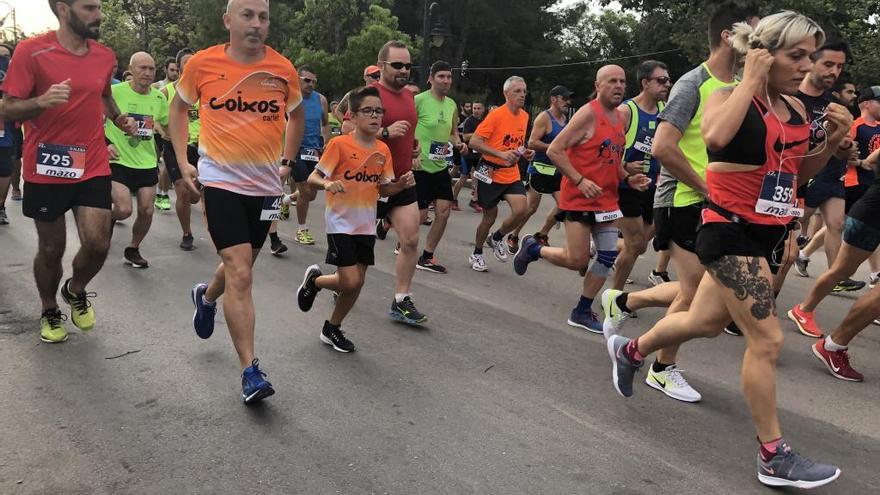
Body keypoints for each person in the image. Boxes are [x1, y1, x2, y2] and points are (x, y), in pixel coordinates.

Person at [607, 12, 850, 488]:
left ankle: (631, 350)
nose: (806, 67)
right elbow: (716, 138)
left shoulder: (797, 110)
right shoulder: (725, 96)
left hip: (769, 232)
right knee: (768, 340)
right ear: (763, 54)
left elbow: (797, 175)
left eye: (810, 57)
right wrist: (750, 80)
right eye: (795, 55)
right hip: (728, 230)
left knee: (705, 322)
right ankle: (773, 455)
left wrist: (835, 141)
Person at [602, 1, 758, 393]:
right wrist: (709, 188)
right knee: (695, 294)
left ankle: (624, 304)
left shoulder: (740, 89)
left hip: (716, 202)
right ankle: (660, 367)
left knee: (706, 294)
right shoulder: (693, 83)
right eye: (755, 36)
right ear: (729, 36)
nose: (762, 46)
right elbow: (663, 147)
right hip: (682, 198)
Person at [171, 0, 305, 404]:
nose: (257, 24)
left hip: (265, 186)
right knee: (241, 271)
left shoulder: (283, 69)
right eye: (248, 15)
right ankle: (250, 371)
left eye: (263, 17)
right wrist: (182, 160)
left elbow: (296, 116)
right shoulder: (202, 64)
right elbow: (178, 108)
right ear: (228, 20)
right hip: (221, 181)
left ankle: (206, 297)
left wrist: (287, 161)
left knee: (243, 265)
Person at [0, 0, 137, 343]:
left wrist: (119, 118)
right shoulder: (32, 52)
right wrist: (40, 102)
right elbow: (7, 106)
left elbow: (104, 96)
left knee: (98, 242)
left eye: (99, 7)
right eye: (90, 8)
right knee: (51, 249)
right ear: (63, 8)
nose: (99, 15)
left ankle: (75, 290)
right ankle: (49, 309)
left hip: (91, 162)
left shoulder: (104, 56)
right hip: (47, 165)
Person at [513, 66, 650, 334]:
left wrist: (627, 177)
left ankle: (582, 310)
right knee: (577, 261)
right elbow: (554, 150)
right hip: (579, 199)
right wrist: (579, 179)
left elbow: (611, 158)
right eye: (612, 81)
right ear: (598, 85)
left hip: (607, 200)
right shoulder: (588, 114)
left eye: (622, 81)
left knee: (608, 254)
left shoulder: (620, 119)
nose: (618, 86)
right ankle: (533, 248)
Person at [297, 85, 415, 352]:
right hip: (340, 222)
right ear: (353, 115)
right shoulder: (340, 144)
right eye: (368, 111)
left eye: (378, 111)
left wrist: (401, 185)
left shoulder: (383, 150)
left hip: (365, 223)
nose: (375, 116)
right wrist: (326, 185)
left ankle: (331, 326)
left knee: (356, 282)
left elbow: (383, 188)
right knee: (350, 280)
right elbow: (314, 177)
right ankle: (315, 283)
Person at [788, 86, 880, 340]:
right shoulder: (852, 121)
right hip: (831, 181)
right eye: (848, 92)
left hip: (842, 183)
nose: (850, 95)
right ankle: (802, 299)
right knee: (796, 225)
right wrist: (856, 159)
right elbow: (849, 151)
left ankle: (803, 256)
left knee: (836, 225)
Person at [789, 41, 864, 292]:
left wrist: (843, 147)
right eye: (828, 64)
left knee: (835, 224)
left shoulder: (832, 107)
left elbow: (837, 149)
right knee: (789, 240)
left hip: (817, 177)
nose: (834, 72)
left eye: (839, 66)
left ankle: (833, 278)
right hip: (785, 181)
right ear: (811, 61)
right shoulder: (788, 95)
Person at [369, 40, 429, 325]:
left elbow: (406, 133)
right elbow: (346, 130)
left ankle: (401, 300)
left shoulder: (408, 97)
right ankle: (334, 282)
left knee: (411, 239)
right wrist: (385, 132)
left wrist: (412, 145)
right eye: (397, 65)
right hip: (369, 183)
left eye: (408, 65)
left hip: (403, 179)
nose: (404, 70)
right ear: (381, 66)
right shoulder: (369, 94)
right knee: (356, 256)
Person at [611, 61, 671, 290]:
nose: (667, 84)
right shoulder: (626, 111)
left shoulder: (666, 110)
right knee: (635, 244)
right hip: (626, 187)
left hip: (653, 186)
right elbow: (604, 149)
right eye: (661, 80)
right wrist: (625, 165)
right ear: (645, 83)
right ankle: (615, 296)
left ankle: (602, 249)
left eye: (668, 79)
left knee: (641, 244)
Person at [106, 52, 169, 268]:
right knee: (124, 209)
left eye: (151, 69)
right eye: (142, 68)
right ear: (130, 70)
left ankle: (133, 249)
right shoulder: (114, 92)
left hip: (146, 162)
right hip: (119, 160)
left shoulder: (159, 98)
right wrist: (105, 143)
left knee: (147, 210)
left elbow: (167, 124)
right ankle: (110, 218)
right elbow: (94, 121)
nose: (148, 73)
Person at [467, 76, 534, 272]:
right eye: (517, 91)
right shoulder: (496, 115)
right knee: (489, 217)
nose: (522, 94)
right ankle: (477, 253)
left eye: (524, 91)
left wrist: (525, 152)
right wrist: (500, 154)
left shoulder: (525, 116)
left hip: (511, 172)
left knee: (522, 209)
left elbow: (515, 142)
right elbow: (475, 142)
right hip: (490, 171)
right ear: (506, 94)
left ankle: (497, 237)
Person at [413, 61, 467, 274]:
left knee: (443, 213)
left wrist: (459, 143)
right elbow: (407, 128)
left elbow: (453, 132)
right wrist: (411, 155)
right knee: (419, 215)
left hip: (440, 166)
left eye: (448, 77)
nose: (446, 81)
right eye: (441, 76)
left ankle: (427, 256)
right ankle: (399, 235)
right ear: (431, 78)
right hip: (420, 165)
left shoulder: (452, 104)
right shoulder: (418, 100)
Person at [508, 85, 571, 250]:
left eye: (568, 99)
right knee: (530, 209)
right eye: (564, 98)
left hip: (557, 170)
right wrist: (553, 147)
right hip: (540, 169)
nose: (567, 102)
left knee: (564, 204)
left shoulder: (564, 120)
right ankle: (513, 236)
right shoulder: (544, 118)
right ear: (553, 99)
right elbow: (533, 142)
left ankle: (542, 234)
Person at [158, 47, 198, 251]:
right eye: (186, 64)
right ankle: (187, 233)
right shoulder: (167, 91)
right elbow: (155, 116)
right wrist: (165, 131)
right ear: (180, 67)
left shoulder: (205, 90)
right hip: (175, 146)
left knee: (195, 195)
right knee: (183, 190)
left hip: (201, 147)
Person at [287, 64, 329, 246]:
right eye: (307, 80)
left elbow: (325, 123)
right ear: (298, 78)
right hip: (296, 150)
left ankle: (286, 200)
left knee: (313, 192)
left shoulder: (321, 100)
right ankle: (301, 230)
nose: (311, 84)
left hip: (315, 150)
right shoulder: (290, 97)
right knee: (305, 191)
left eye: (314, 81)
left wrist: (326, 142)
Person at [453, 101, 485, 212]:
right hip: (468, 154)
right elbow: (465, 137)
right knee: (463, 177)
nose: (476, 110)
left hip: (479, 154)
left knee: (479, 177)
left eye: (478, 108)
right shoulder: (469, 121)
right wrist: (479, 133)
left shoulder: (484, 121)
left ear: (483, 109)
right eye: (474, 108)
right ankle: (453, 199)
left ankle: (474, 200)